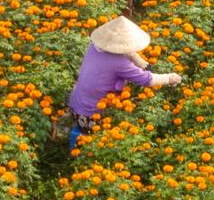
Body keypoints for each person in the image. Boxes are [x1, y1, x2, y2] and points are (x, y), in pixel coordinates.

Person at [68, 16, 182, 150]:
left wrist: (140, 61)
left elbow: (123, 52)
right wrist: (170, 78)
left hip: (75, 106)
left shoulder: (94, 47)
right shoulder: (119, 64)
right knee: (127, 130)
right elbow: (146, 80)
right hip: (90, 117)